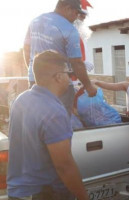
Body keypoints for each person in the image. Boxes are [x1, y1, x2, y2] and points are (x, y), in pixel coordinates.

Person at [7, 51, 88, 200]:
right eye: (68, 73)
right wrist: (83, 197)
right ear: (58, 76)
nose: (70, 78)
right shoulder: (54, 112)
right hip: (45, 194)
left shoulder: (21, 99)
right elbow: (64, 165)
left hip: (18, 192)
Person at [23, 0, 97, 114]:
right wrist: (89, 86)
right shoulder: (70, 29)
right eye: (76, 13)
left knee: (38, 116)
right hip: (58, 83)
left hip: (35, 81)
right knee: (60, 119)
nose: (76, 17)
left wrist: (34, 71)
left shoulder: (35, 21)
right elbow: (76, 62)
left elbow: (26, 49)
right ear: (67, 9)